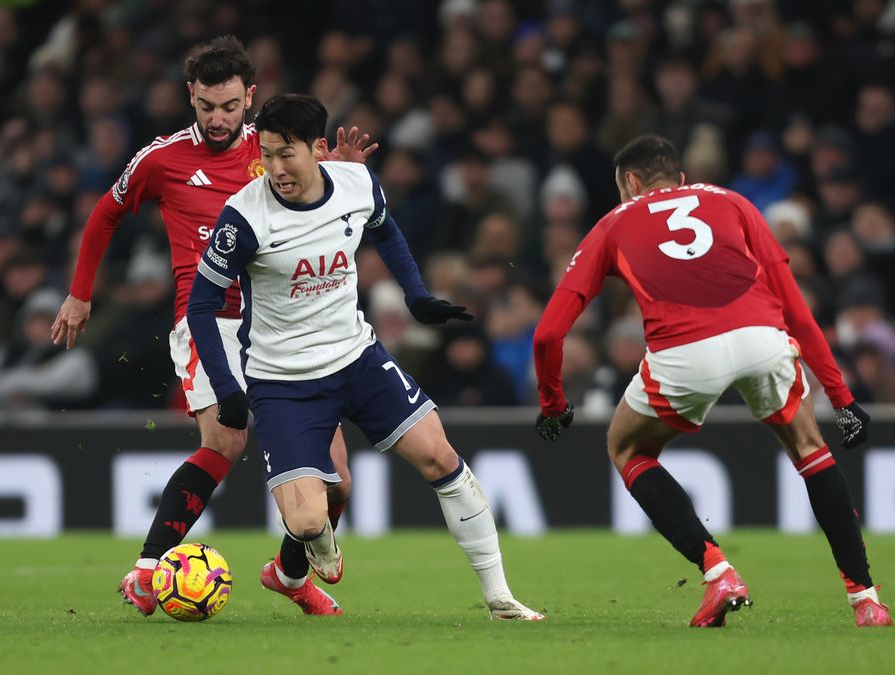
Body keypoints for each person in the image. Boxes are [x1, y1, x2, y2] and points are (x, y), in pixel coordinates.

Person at [51, 36, 375, 616]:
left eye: (229, 107)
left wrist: (345, 176)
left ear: (249, 96)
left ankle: (289, 575)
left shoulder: (277, 148)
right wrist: (79, 295)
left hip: (283, 326)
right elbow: (105, 213)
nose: (218, 119)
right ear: (190, 97)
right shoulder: (162, 159)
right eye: (206, 107)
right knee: (226, 439)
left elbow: (333, 208)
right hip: (207, 322)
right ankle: (149, 569)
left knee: (339, 483)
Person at [187, 94, 543, 620]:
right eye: (267, 155)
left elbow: (387, 232)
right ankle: (296, 561)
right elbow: (201, 304)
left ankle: (500, 599)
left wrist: (416, 295)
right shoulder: (244, 215)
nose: (276, 169)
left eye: (288, 154)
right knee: (309, 520)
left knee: (442, 458)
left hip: (357, 359)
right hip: (283, 381)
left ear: (319, 149)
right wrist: (227, 388)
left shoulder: (355, 184)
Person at [532, 134, 890, 628]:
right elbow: (795, 306)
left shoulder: (615, 221)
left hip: (684, 351)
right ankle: (866, 600)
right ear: (679, 179)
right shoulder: (732, 201)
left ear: (631, 183)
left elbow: (549, 332)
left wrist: (553, 404)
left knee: (626, 447)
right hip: (761, 336)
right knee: (810, 447)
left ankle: (717, 572)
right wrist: (842, 396)